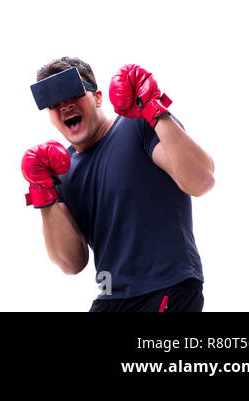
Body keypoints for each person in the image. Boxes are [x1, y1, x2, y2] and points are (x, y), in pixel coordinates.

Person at [21, 57, 214, 312]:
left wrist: (154, 109)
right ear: (50, 117)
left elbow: (201, 181)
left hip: (166, 288)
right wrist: (43, 192)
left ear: (98, 98)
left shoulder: (138, 125)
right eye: (55, 104)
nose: (66, 107)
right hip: (111, 297)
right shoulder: (60, 172)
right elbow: (71, 263)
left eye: (74, 95)